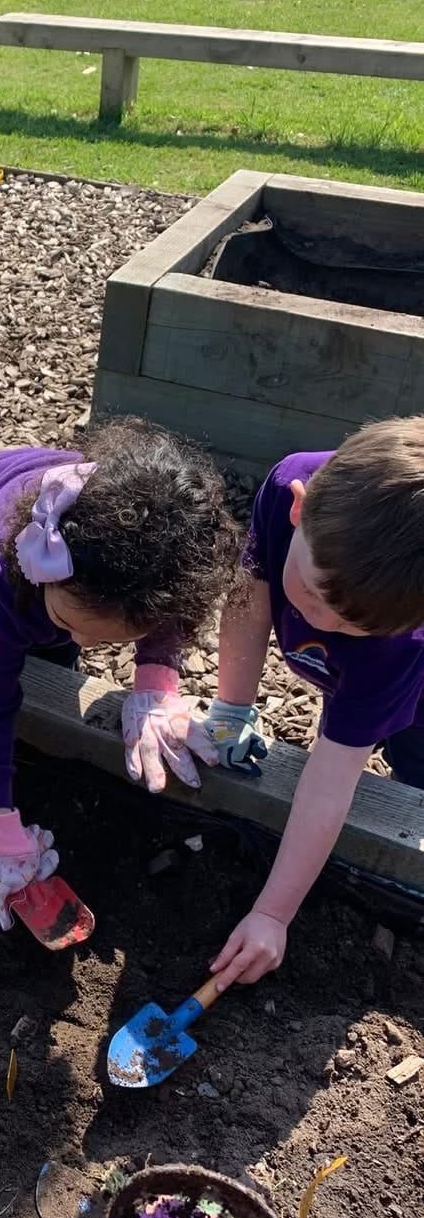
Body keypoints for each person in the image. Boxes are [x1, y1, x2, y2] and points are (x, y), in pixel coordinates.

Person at [0, 419, 243, 924]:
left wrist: (156, 682)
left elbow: (169, 613)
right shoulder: (0, 577)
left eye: (105, 639)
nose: (85, 643)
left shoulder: (155, 570)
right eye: (70, 622)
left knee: (55, 651)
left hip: (78, 544)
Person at [206, 417, 424, 989]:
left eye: (352, 624)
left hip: (416, 695)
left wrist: (273, 914)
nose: (320, 621)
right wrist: (231, 710)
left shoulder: (399, 645)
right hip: (367, 665)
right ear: (298, 511)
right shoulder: (287, 486)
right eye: (311, 592)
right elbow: (249, 599)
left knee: (415, 780)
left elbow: (331, 781)